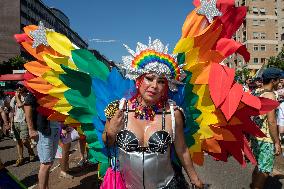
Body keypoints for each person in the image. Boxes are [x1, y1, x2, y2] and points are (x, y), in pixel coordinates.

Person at [102, 41, 203, 188]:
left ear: (166, 87)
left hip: (167, 185)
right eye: (149, 78)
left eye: (161, 81)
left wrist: (195, 179)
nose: (154, 86)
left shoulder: (174, 114)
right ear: (139, 80)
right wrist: (111, 131)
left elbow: (182, 149)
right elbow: (108, 143)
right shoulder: (119, 108)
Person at [251, 67, 283, 189]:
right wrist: (276, 142)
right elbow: (271, 121)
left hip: (256, 136)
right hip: (266, 139)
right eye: (279, 80)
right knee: (264, 170)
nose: (280, 83)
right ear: (273, 81)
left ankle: (253, 185)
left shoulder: (258, 92)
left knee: (259, 165)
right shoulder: (270, 95)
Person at [10, 83, 35, 166]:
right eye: (17, 86)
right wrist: (11, 123)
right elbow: (12, 111)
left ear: (25, 87)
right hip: (15, 122)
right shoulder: (13, 98)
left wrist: (17, 97)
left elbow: (22, 106)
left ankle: (31, 151)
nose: (19, 88)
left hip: (24, 121)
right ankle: (21, 158)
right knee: (18, 141)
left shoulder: (27, 97)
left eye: (21, 86)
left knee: (24, 140)